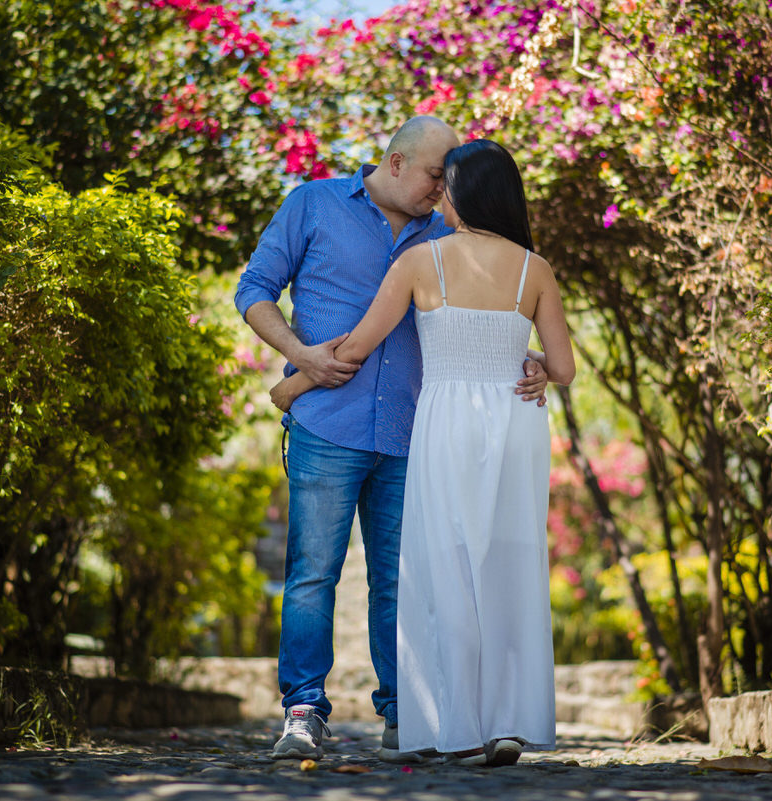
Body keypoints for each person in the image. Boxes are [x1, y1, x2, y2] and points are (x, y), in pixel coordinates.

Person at [234, 117, 549, 762]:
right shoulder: (312, 204)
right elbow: (254, 290)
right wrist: (299, 359)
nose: (443, 188)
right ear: (398, 163)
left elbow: (493, 322)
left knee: (404, 580)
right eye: (437, 174)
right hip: (329, 424)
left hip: (418, 437)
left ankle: (409, 713)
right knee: (312, 575)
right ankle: (302, 711)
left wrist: (535, 361)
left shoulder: (452, 232)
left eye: (450, 180)